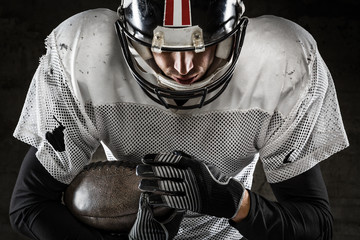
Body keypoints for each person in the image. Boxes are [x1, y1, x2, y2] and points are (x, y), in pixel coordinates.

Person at [9, 0, 349, 239]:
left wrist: (235, 203)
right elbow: (28, 206)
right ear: (134, 40)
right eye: (165, 48)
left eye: (202, 45)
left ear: (233, 34)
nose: (184, 67)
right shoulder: (88, 54)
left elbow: (317, 226)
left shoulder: (278, 62)